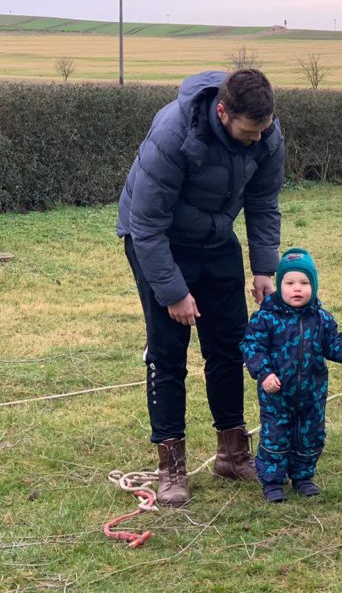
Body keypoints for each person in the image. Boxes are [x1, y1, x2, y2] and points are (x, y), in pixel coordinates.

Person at [117, 68, 285, 506]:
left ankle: (232, 452)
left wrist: (264, 267)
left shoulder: (266, 132)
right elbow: (147, 223)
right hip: (156, 238)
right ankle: (170, 465)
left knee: (231, 344)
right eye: (248, 132)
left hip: (214, 237)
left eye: (262, 131)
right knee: (168, 351)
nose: (256, 140)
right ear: (223, 111)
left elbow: (264, 200)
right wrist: (174, 291)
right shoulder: (173, 132)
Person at [240, 248, 342, 503]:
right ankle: (273, 482)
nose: (297, 289)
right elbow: (252, 347)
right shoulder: (266, 318)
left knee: (310, 436)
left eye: (304, 283)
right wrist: (264, 373)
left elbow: (333, 343)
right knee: (275, 436)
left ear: (314, 285)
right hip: (277, 395)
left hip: (312, 393)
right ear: (280, 286)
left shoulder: (321, 318)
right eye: (289, 283)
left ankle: (303, 476)